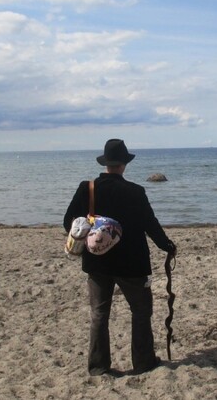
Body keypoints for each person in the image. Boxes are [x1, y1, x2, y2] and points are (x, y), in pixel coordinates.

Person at [64, 139, 177, 376]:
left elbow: (69, 223)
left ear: (106, 163)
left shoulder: (88, 188)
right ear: (124, 164)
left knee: (99, 314)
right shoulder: (136, 191)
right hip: (132, 263)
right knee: (140, 310)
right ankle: (144, 362)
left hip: (97, 262)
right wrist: (166, 245)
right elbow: (150, 224)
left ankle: (98, 367)